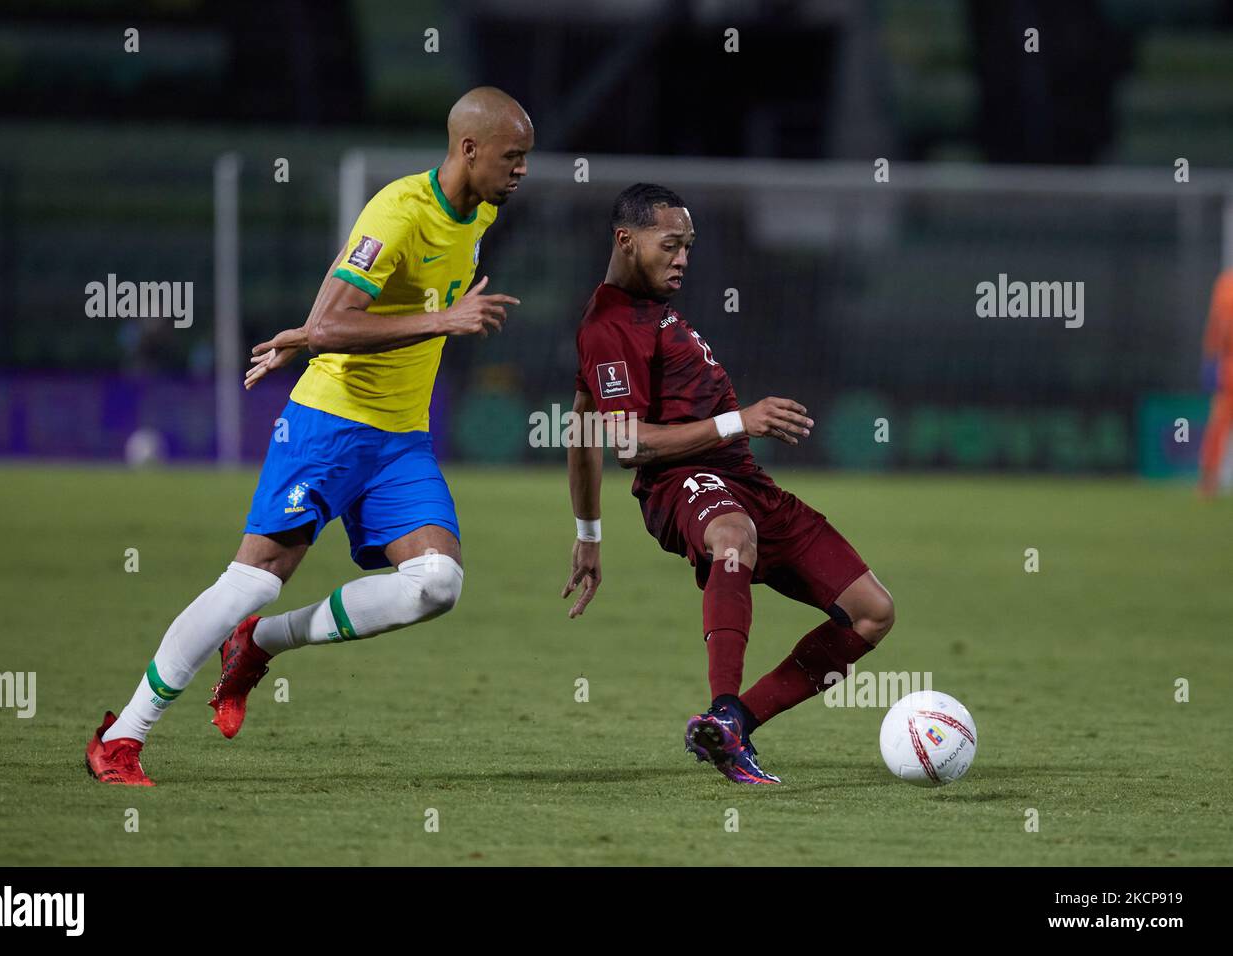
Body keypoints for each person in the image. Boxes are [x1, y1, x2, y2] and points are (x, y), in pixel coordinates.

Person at [86, 87, 533, 785]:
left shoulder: (477, 214)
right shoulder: (398, 210)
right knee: (252, 580)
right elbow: (336, 322)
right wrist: (416, 324)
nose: (522, 170)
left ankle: (259, 646)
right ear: (468, 149)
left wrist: (307, 330)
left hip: (401, 440)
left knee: (437, 582)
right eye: (513, 156)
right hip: (331, 425)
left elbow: (333, 307)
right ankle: (122, 737)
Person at [562, 183, 895, 785]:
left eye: (688, 246)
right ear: (626, 240)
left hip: (746, 479)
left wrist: (588, 535)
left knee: (872, 612)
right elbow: (629, 444)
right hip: (680, 482)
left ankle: (737, 723)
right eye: (671, 245)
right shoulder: (609, 325)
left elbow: (581, 428)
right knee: (732, 536)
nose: (683, 259)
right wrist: (739, 420)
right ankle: (720, 707)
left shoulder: (651, 311)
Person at [1199, 268, 1233, 498]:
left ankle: (1209, 480)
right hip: (1228, 366)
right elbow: (1217, 326)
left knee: (1218, 423)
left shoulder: (1225, 285)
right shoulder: (1225, 284)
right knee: (1218, 424)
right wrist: (1211, 360)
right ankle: (1209, 480)